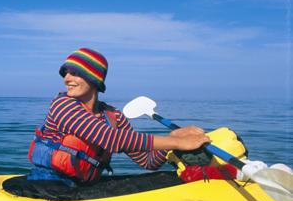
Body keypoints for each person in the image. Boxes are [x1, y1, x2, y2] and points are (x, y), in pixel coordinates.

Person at [28, 47, 211, 186]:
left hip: (85, 187)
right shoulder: (63, 104)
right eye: (65, 73)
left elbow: (147, 162)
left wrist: (173, 138)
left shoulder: (114, 116)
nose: (66, 78)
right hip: (48, 184)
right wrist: (178, 143)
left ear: (93, 78)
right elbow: (110, 140)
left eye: (74, 73)